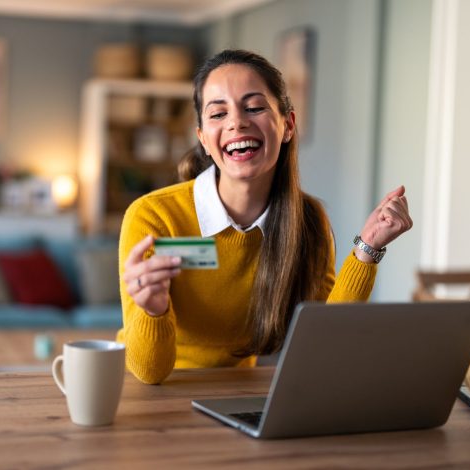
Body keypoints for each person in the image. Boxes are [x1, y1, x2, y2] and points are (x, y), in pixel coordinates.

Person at [116, 49, 412, 385]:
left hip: (237, 392)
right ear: (202, 138)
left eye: (254, 107)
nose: (236, 122)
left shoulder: (308, 221)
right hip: (149, 393)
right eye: (217, 113)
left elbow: (323, 345)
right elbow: (149, 373)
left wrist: (367, 249)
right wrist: (153, 310)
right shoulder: (153, 216)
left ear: (287, 125)